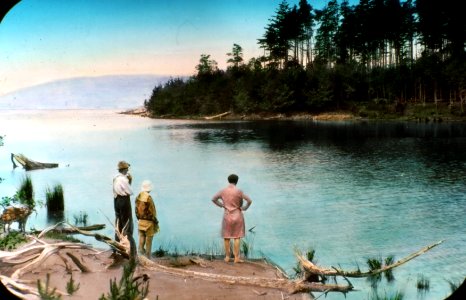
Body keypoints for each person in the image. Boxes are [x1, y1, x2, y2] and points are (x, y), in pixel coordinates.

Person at [211, 174, 252, 263]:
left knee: (226, 237)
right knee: (237, 237)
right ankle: (236, 258)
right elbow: (249, 201)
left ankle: (227, 257)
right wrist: (244, 208)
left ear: (228, 180)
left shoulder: (223, 191)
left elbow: (213, 199)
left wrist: (221, 205)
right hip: (238, 215)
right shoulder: (239, 191)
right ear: (236, 181)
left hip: (227, 215)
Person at [135, 180, 159, 258]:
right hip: (148, 222)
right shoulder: (148, 198)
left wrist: (138, 218)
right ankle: (148, 257)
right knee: (149, 240)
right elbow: (152, 211)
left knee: (141, 239)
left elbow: (136, 210)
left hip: (140, 221)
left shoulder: (138, 196)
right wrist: (155, 220)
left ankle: (140, 255)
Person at [112, 161, 134, 249]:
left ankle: (117, 242)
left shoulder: (115, 178)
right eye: (127, 169)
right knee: (127, 222)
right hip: (124, 200)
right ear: (124, 170)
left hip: (116, 200)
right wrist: (130, 180)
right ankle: (127, 244)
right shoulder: (124, 179)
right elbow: (130, 191)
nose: (127, 171)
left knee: (118, 221)